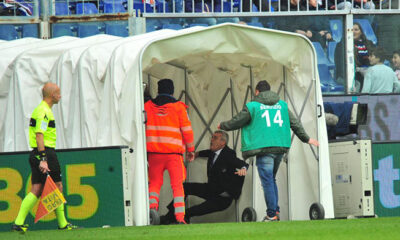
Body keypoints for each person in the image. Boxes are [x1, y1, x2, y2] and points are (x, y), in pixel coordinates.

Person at [218, 80, 319, 222]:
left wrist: (223, 125)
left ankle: (271, 215)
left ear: (257, 92)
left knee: (267, 182)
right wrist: (307, 139)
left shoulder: (253, 106)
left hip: (264, 148)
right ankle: (275, 211)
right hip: (280, 147)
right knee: (271, 180)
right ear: (270, 91)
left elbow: (237, 121)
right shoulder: (282, 105)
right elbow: (295, 123)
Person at [12, 83, 77, 232]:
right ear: (52, 95)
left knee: (37, 188)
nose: (60, 96)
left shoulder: (42, 109)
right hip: (45, 153)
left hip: (38, 153)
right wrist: (43, 158)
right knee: (57, 186)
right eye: (59, 93)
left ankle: (18, 222)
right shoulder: (44, 112)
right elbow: (39, 135)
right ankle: (63, 224)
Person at [161, 130, 248, 224]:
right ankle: (169, 216)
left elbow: (241, 163)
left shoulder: (229, 154)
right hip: (211, 189)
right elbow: (206, 152)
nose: (211, 140)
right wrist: (195, 154)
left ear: (223, 142)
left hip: (222, 198)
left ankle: (179, 219)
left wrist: (243, 168)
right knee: (184, 188)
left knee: (192, 211)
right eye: (212, 137)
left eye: (215, 138)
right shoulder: (213, 152)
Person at [145, 78, 195, 224]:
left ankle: (151, 212)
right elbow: (187, 131)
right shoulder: (179, 107)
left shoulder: (147, 106)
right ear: (172, 91)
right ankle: (180, 218)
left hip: (154, 154)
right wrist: (191, 150)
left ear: (158, 90)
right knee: (178, 186)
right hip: (174, 155)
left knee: (154, 184)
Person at [353, 22, 374, 92]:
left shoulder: (369, 43)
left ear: (361, 32)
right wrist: (359, 69)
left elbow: (376, 57)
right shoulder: (343, 44)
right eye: (352, 30)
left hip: (369, 70)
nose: (353, 32)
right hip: (355, 73)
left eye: (356, 30)